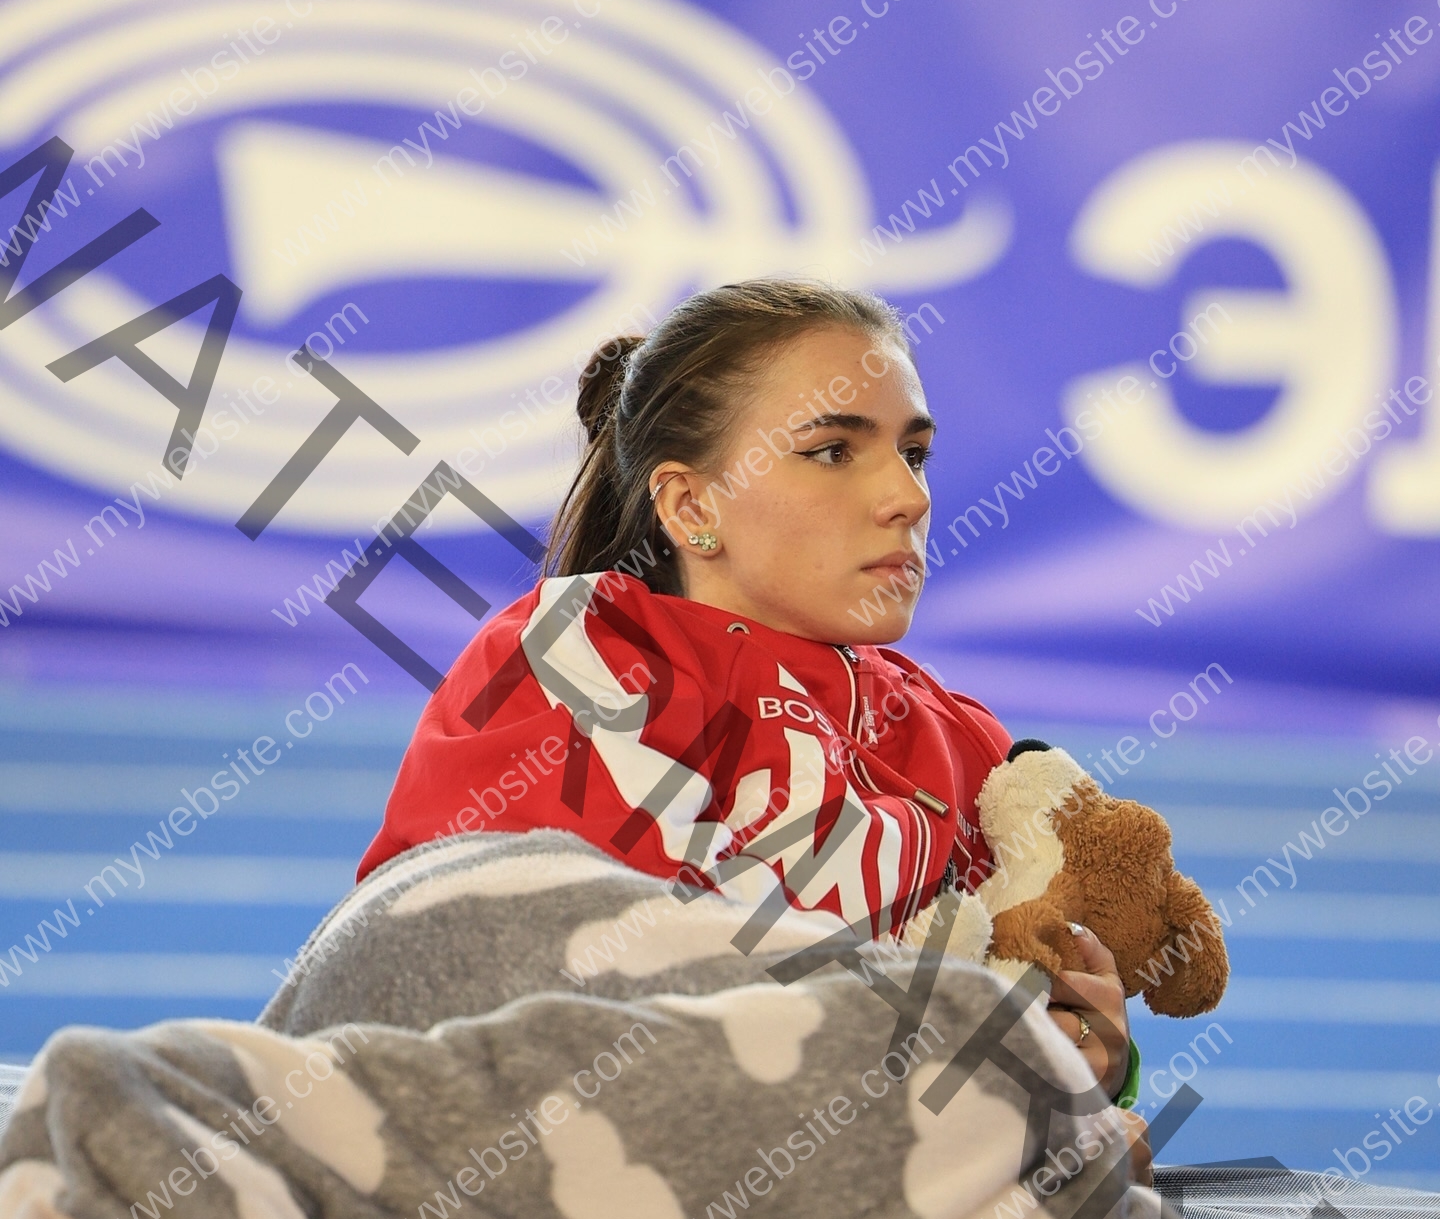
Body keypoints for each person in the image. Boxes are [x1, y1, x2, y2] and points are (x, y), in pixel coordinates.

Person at [358, 280, 1134, 1104]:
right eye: (834, 451)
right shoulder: (575, 659)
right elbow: (639, 1020)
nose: (909, 498)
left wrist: (1093, 1065)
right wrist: (966, 1073)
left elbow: (1020, 1042)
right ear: (692, 504)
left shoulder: (963, 742)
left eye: (915, 453)